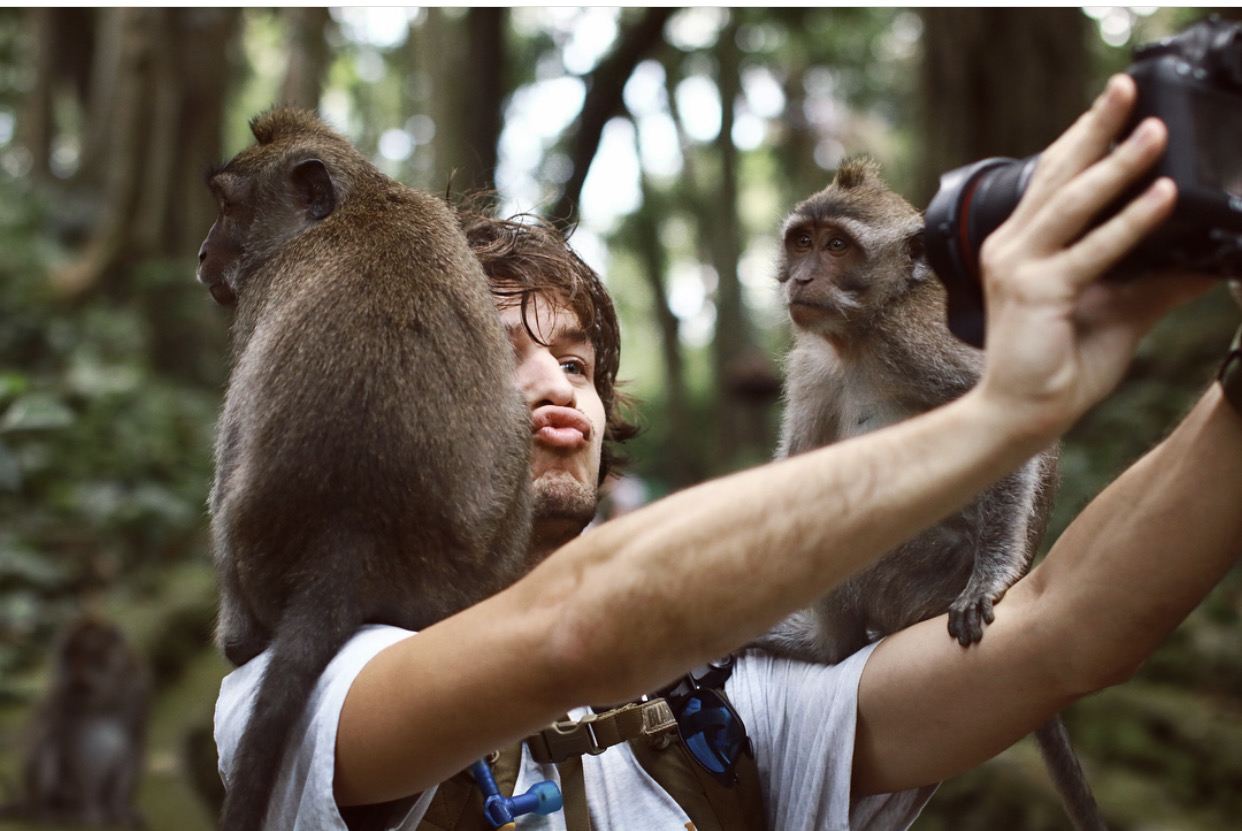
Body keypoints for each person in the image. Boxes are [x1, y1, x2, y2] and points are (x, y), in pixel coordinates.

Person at [215, 75, 1242, 830]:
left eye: (576, 364)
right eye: (497, 361)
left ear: (612, 416)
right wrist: (1002, 411)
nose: (549, 386)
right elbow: (576, 626)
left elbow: (1068, 630)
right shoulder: (307, 680)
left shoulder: (722, 708)